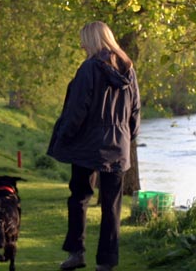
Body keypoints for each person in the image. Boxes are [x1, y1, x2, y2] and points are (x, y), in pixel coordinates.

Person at [48, 21, 140, 271]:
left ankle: (76, 253)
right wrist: (127, 137)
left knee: (79, 198)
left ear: (92, 41)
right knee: (112, 205)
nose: (81, 45)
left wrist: (64, 136)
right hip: (117, 145)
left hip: (87, 145)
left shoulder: (88, 68)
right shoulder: (129, 69)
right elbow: (135, 110)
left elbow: (78, 109)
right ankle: (106, 262)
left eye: (83, 41)